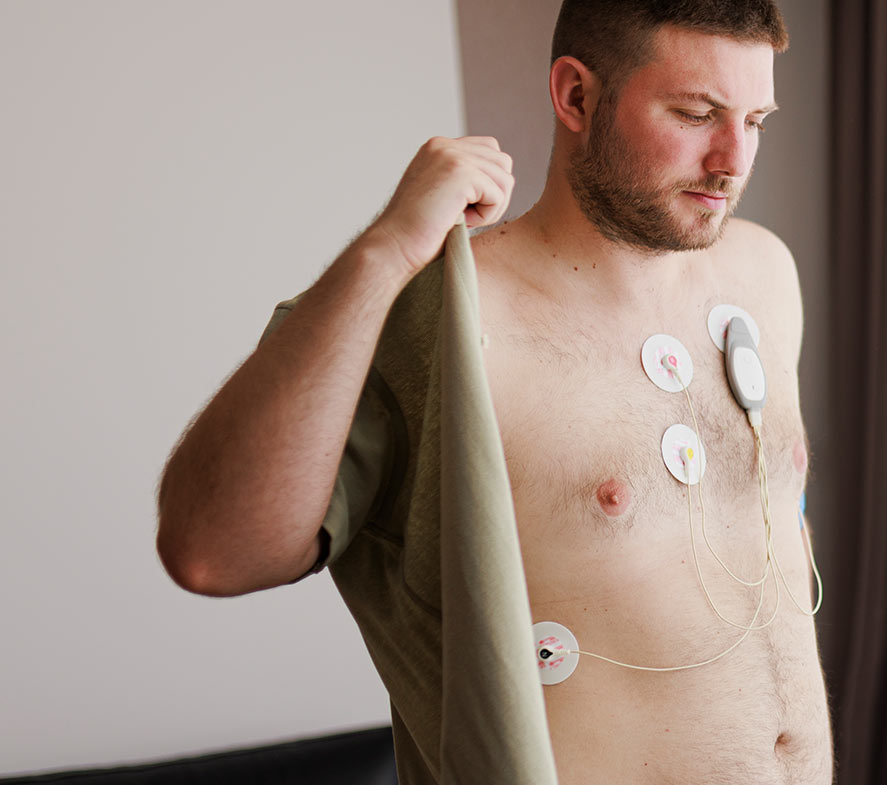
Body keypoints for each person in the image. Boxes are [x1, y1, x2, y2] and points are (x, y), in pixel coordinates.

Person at [153, 1, 829, 782]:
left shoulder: (764, 273)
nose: (732, 159)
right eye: (696, 113)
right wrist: (387, 249)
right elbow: (210, 550)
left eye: (757, 121)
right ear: (576, 96)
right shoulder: (448, 314)